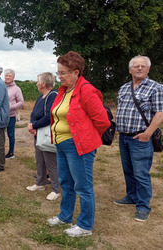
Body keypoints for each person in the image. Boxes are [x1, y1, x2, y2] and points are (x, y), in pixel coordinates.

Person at [47, 51, 110, 237]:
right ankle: (65, 216)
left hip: (78, 146)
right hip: (61, 144)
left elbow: (103, 121)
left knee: (83, 187)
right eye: (58, 73)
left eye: (63, 73)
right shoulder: (63, 91)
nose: (60, 77)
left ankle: (85, 226)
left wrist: (86, 137)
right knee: (66, 182)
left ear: (76, 72)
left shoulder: (87, 90)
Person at [114, 55, 163, 222]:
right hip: (124, 137)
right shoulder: (124, 88)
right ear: (130, 70)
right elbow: (121, 110)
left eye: (143, 66)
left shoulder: (155, 87)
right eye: (136, 66)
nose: (140, 68)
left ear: (148, 69)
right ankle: (131, 196)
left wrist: (148, 133)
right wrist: (115, 128)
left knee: (141, 173)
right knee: (128, 170)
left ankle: (143, 206)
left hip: (140, 138)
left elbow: (160, 113)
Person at [26, 72, 61, 201]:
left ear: (43, 84)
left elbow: (49, 116)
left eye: (37, 81)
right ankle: (40, 183)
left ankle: (56, 190)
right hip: (38, 134)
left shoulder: (53, 96)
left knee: (50, 162)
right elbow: (34, 112)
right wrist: (32, 126)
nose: (36, 84)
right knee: (40, 159)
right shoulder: (41, 96)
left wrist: (34, 125)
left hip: (46, 134)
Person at [4, 69, 24, 159]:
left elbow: (21, 102)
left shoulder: (16, 89)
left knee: (10, 134)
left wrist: (11, 107)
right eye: (6, 75)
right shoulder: (1, 86)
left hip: (11, 115)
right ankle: (0, 150)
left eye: (10, 76)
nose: (7, 77)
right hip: (1, 115)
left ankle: (11, 152)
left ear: (13, 77)